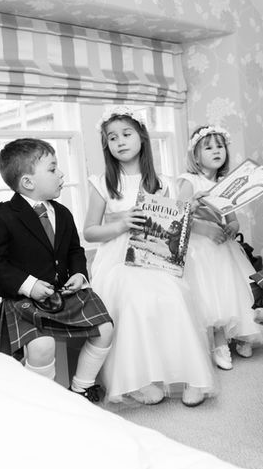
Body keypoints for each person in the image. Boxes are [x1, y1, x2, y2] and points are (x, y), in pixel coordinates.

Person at [83, 107, 216, 407]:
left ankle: (190, 375)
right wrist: (120, 223)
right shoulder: (101, 183)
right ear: (106, 145)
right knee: (133, 300)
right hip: (117, 259)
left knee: (173, 297)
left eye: (126, 134)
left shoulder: (166, 182)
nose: (120, 142)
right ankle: (137, 381)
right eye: (112, 138)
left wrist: (186, 213)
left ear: (142, 137)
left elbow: (174, 230)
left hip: (155, 255)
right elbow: (89, 232)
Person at [0, 138, 113, 403]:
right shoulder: (3, 215)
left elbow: (75, 250)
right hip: (25, 298)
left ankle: (81, 389)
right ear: (28, 182)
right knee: (42, 346)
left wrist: (79, 274)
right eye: (53, 169)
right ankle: (43, 402)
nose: (61, 174)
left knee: (105, 328)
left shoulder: (63, 213)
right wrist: (29, 285)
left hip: (64, 293)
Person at [176, 125, 263, 371]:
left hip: (224, 246)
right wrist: (204, 227)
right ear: (195, 155)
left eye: (219, 146)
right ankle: (219, 341)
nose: (216, 151)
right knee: (212, 294)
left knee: (234, 289)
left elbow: (231, 216)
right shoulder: (189, 181)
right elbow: (178, 214)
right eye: (208, 147)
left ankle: (241, 335)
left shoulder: (225, 182)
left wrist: (232, 224)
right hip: (200, 246)